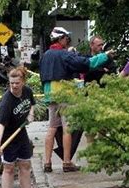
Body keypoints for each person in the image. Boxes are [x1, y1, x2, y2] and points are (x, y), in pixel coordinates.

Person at [40, 27, 114, 173]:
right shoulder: (63, 54)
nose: (67, 41)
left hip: (50, 95)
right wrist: (105, 56)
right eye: (66, 38)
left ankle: (47, 163)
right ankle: (67, 163)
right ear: (61, 39)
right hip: (64, 95)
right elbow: (85, 64)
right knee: (67, 128)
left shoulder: (46, 55)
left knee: (52, 128)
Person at [0, 67, 41, 188]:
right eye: (11, 83)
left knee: (25, 166)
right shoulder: (7, 101)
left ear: (23, 82)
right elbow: (0, 124)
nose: (14, 86)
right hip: (6, 136)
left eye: (17, 83)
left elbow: (31, 104)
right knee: (8, 169)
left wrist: (30, 115)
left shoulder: (27, 91)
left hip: (21, 133)